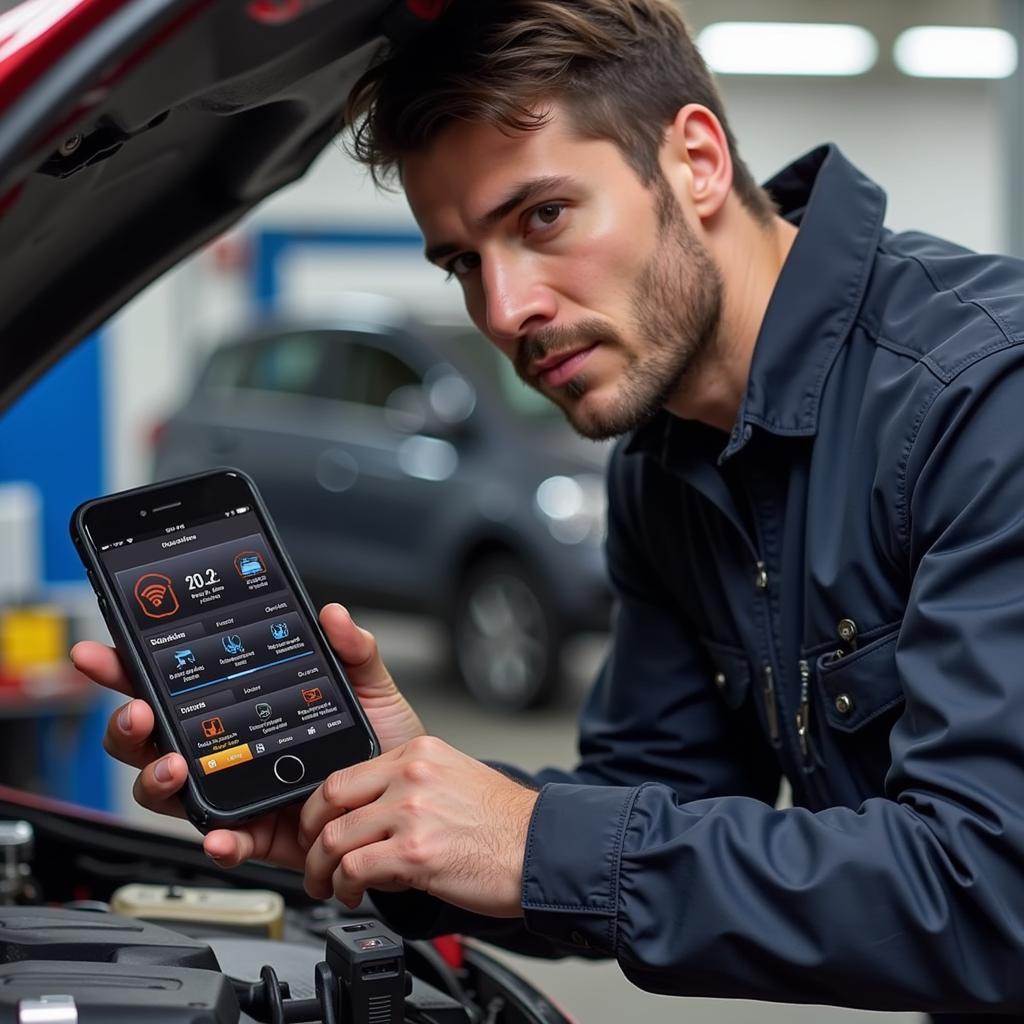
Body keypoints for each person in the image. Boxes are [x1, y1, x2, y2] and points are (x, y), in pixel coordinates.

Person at [71, 0, 1024, 1017]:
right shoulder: (663, 465)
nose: (502, 310)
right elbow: (660, 804)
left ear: (694, 162)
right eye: (462, 262)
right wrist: (385, 799)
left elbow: (990, 891)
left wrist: (527, 840)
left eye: (541, 218)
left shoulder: (982, 398)